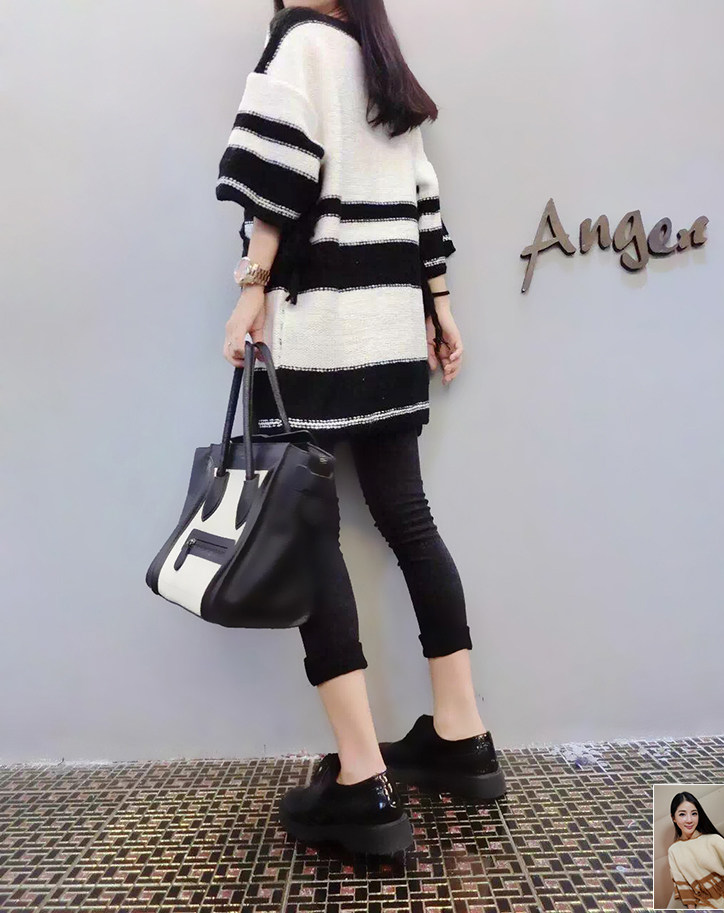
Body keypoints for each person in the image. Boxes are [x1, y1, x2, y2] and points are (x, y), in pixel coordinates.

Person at [215, 0, 505, 855]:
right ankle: (461, 731)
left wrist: (251, 287)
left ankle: (361, 773)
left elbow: (276, 173)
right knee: (408, 518)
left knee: (310, 532)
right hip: (389, 325)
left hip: (316, 328)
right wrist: (440, 308)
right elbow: (423, 200)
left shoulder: (298, 41)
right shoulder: (382, 62)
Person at [666, 792, 724, 909]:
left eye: (694, 813)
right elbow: (684, 887)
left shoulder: (712, 839)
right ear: (673, 818)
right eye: (682, 814)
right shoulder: (673, 851)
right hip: (706, 905)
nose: (689, 820)